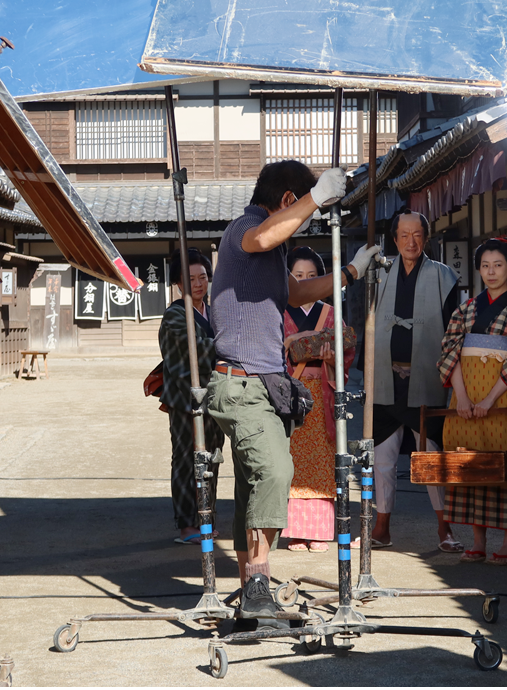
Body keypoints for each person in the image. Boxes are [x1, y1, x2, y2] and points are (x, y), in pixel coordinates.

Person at [206, 160, 381, 626]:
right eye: (302, 205)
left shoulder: (266, 253)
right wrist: (317, 196)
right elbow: (263, 236)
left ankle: (249, 588)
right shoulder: (246, 228)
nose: (308, 216)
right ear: (288, 201)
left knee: (252, 484)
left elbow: (296, 294)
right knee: (278, 471)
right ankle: (260, 584)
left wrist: (350, 274)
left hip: (251, 383)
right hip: (244, 382)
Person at [437, 238, 507, 565]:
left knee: (504, 467)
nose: (491, 272)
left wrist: (492, 398)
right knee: (469, 468)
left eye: (498, 265)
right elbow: (448, 354)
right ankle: (476, 540)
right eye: (485, 266)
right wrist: (462, 398)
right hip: (464, 400)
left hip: (502, 398)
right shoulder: (465, 310)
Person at [371, 211, 463, 552]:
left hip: (425, 378)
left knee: (432, 455)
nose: (411, 242)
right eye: (404, 235)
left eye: (417, 234)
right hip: (385, 379)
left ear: (426, 237)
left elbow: (455, 333)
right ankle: (381, 526)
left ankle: (445, 527)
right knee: (382, 457)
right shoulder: (377, 276)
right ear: (394, 239)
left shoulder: (444, 276)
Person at [280, 247, 355, 553]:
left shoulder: (330, 313)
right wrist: (291, 343)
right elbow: (272, 351)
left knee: (324, 460)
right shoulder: (280, 311)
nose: (305, 281)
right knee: (292, 462)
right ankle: (296, 531)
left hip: (322, 390)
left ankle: (320, 531)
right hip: (289, 391)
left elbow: (346, 354)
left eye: (312, 276)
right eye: (298, 276)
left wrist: (333, 357)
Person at [159, 247, 223, 546]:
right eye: (191, 279)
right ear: (179, 283)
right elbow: (195, 351)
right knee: (186, 459)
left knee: (212, 458)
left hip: (213, 398)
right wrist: (227, 347)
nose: (198, 284)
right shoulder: (174, 315)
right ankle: (186, 525)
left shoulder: (213, 311)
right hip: (185, 400)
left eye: (203, 277)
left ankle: (206, 518)